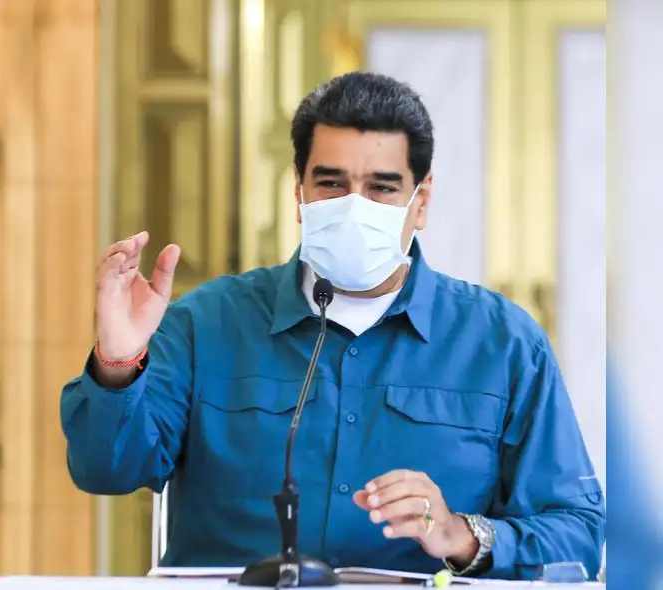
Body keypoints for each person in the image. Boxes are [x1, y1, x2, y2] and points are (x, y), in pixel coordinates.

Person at [60, 72, 604, 580]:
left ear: (421, 201)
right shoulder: (207, 323)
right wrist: (117, 364)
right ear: (298, 191)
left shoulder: (504, 344)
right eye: (331, 184)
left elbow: (578, 535)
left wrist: (463, 535)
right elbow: (103, 471)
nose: (354, 207)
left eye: (382, 188)